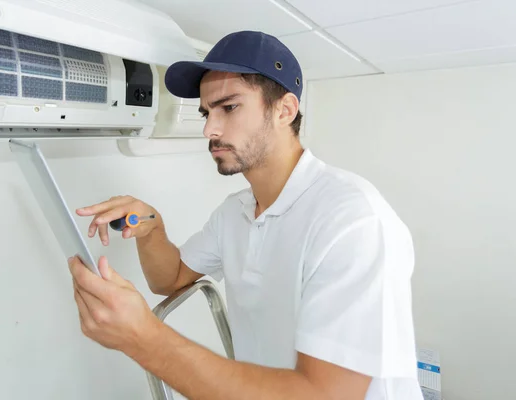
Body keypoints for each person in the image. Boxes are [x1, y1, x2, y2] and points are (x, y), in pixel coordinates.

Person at [68, 30, 423, 400]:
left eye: (229, 107)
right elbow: (170, 278)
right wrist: (149, 225)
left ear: (284, 110)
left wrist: (143, 339)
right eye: (207, 112)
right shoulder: (234, 213)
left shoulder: (351, 219)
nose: (209, 129)